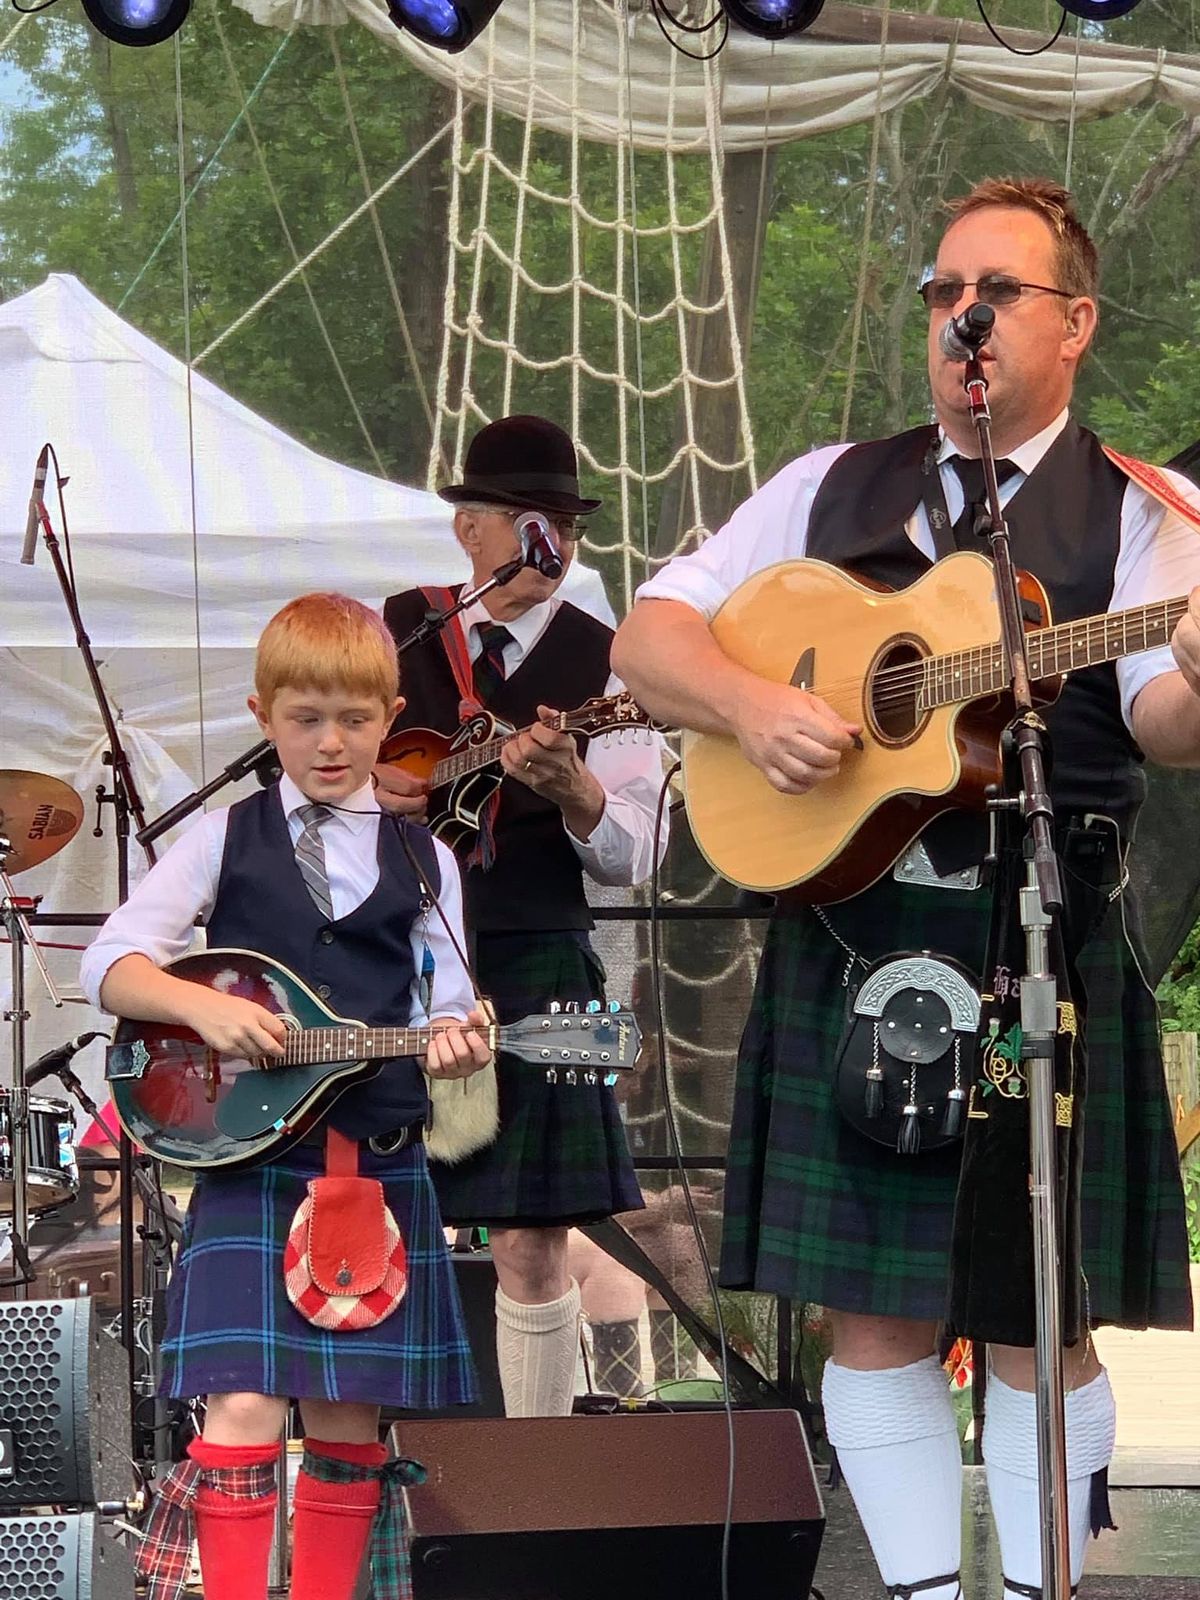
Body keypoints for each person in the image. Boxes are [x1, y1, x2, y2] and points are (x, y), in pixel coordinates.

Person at [612, 177, 1200, 1600]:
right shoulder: (827, 483)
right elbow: (647, 636)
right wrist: (752, 707)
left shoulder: (1149, 513)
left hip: (1044, 928)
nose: (962, 316)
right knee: (869, 1316)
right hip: (854, 925)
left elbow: (1167, 719)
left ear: (1075, 322)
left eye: (995, 292)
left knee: (1037, 1315)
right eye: (943, 292)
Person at [81, 593, 492, 1600]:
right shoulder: (222, 839)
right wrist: (198, 1006)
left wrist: (458, 1046)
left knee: (348, 1419)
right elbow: (109, 965)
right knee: (244, 1407)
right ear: (262, 715)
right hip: (251, 1160)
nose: (331, 742)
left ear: (392, 717)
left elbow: (449, 1011)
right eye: (306, 719)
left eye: (354, 719)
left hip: (377, 1163)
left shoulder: (426, 858)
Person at [375, 414, 667, 1418]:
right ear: (471, 530)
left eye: (568, 526)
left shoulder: (612, 664)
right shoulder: (399, 634)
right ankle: (387, 1456)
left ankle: (540, 1464)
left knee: (534, 1233)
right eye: (531, 521)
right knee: (382, 1213)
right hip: (398, 956)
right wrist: (374, 798)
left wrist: (578, 791)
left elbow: (638, 851)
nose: (556, 543)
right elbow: (319, 774)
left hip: (537, 950)